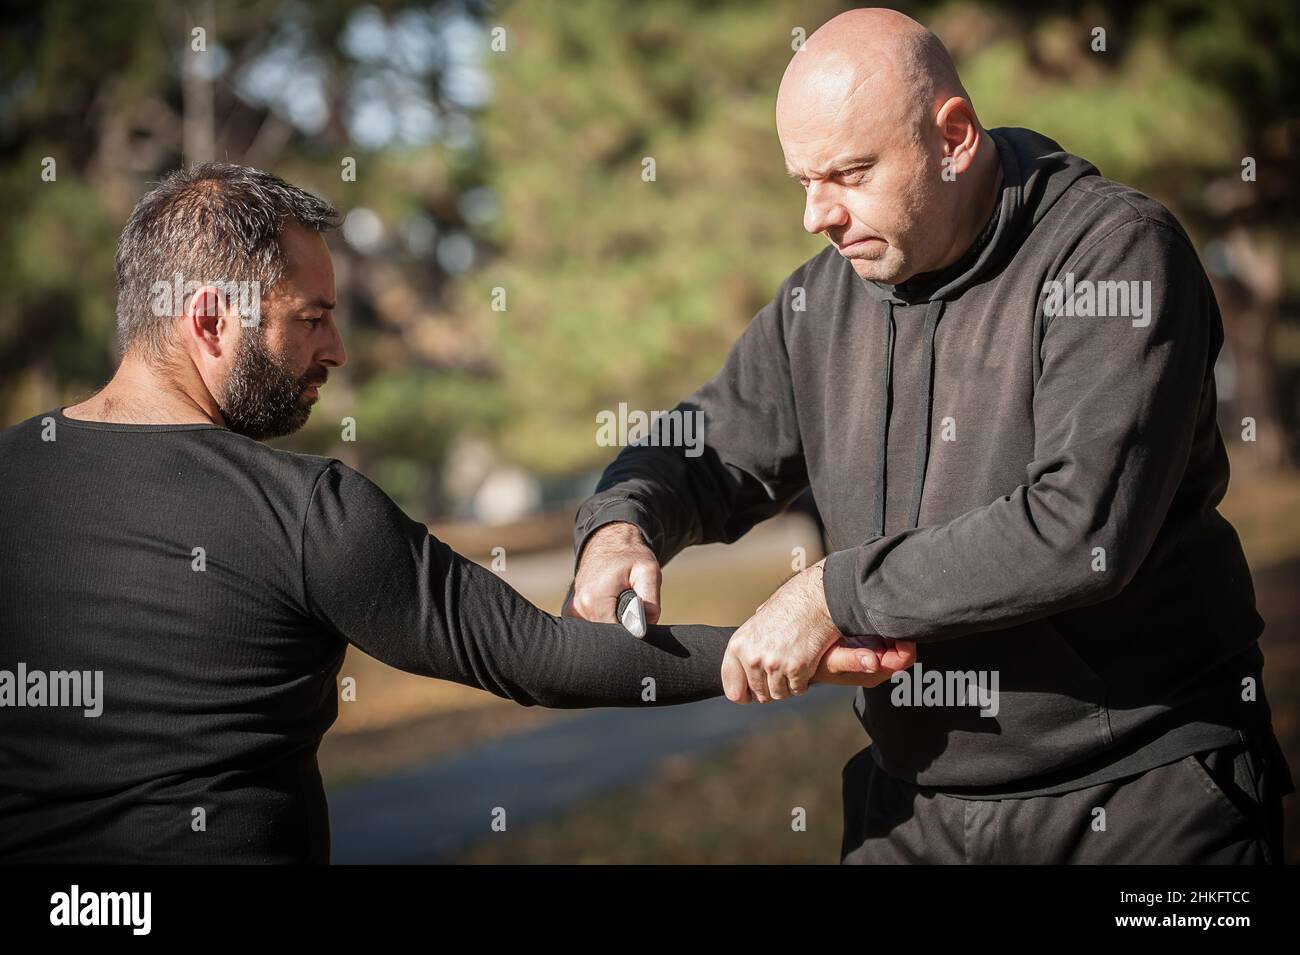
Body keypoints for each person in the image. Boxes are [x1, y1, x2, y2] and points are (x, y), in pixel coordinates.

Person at [0, 163, 903, 864]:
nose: (336, 350)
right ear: (210, 321)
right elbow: (542, 656)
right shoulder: (304, 512)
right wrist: (770, 648)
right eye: (309, 318)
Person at [565, 8, 1294, 863]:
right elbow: (708, 442)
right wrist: (621, 520)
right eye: (802, 179)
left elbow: (1078, 530)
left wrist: (832, 594)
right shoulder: (820, 303)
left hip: (1143, 798)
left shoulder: (1114, 257)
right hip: (917, 808)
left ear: (952, 135)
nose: (816, 215)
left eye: (847, 173)